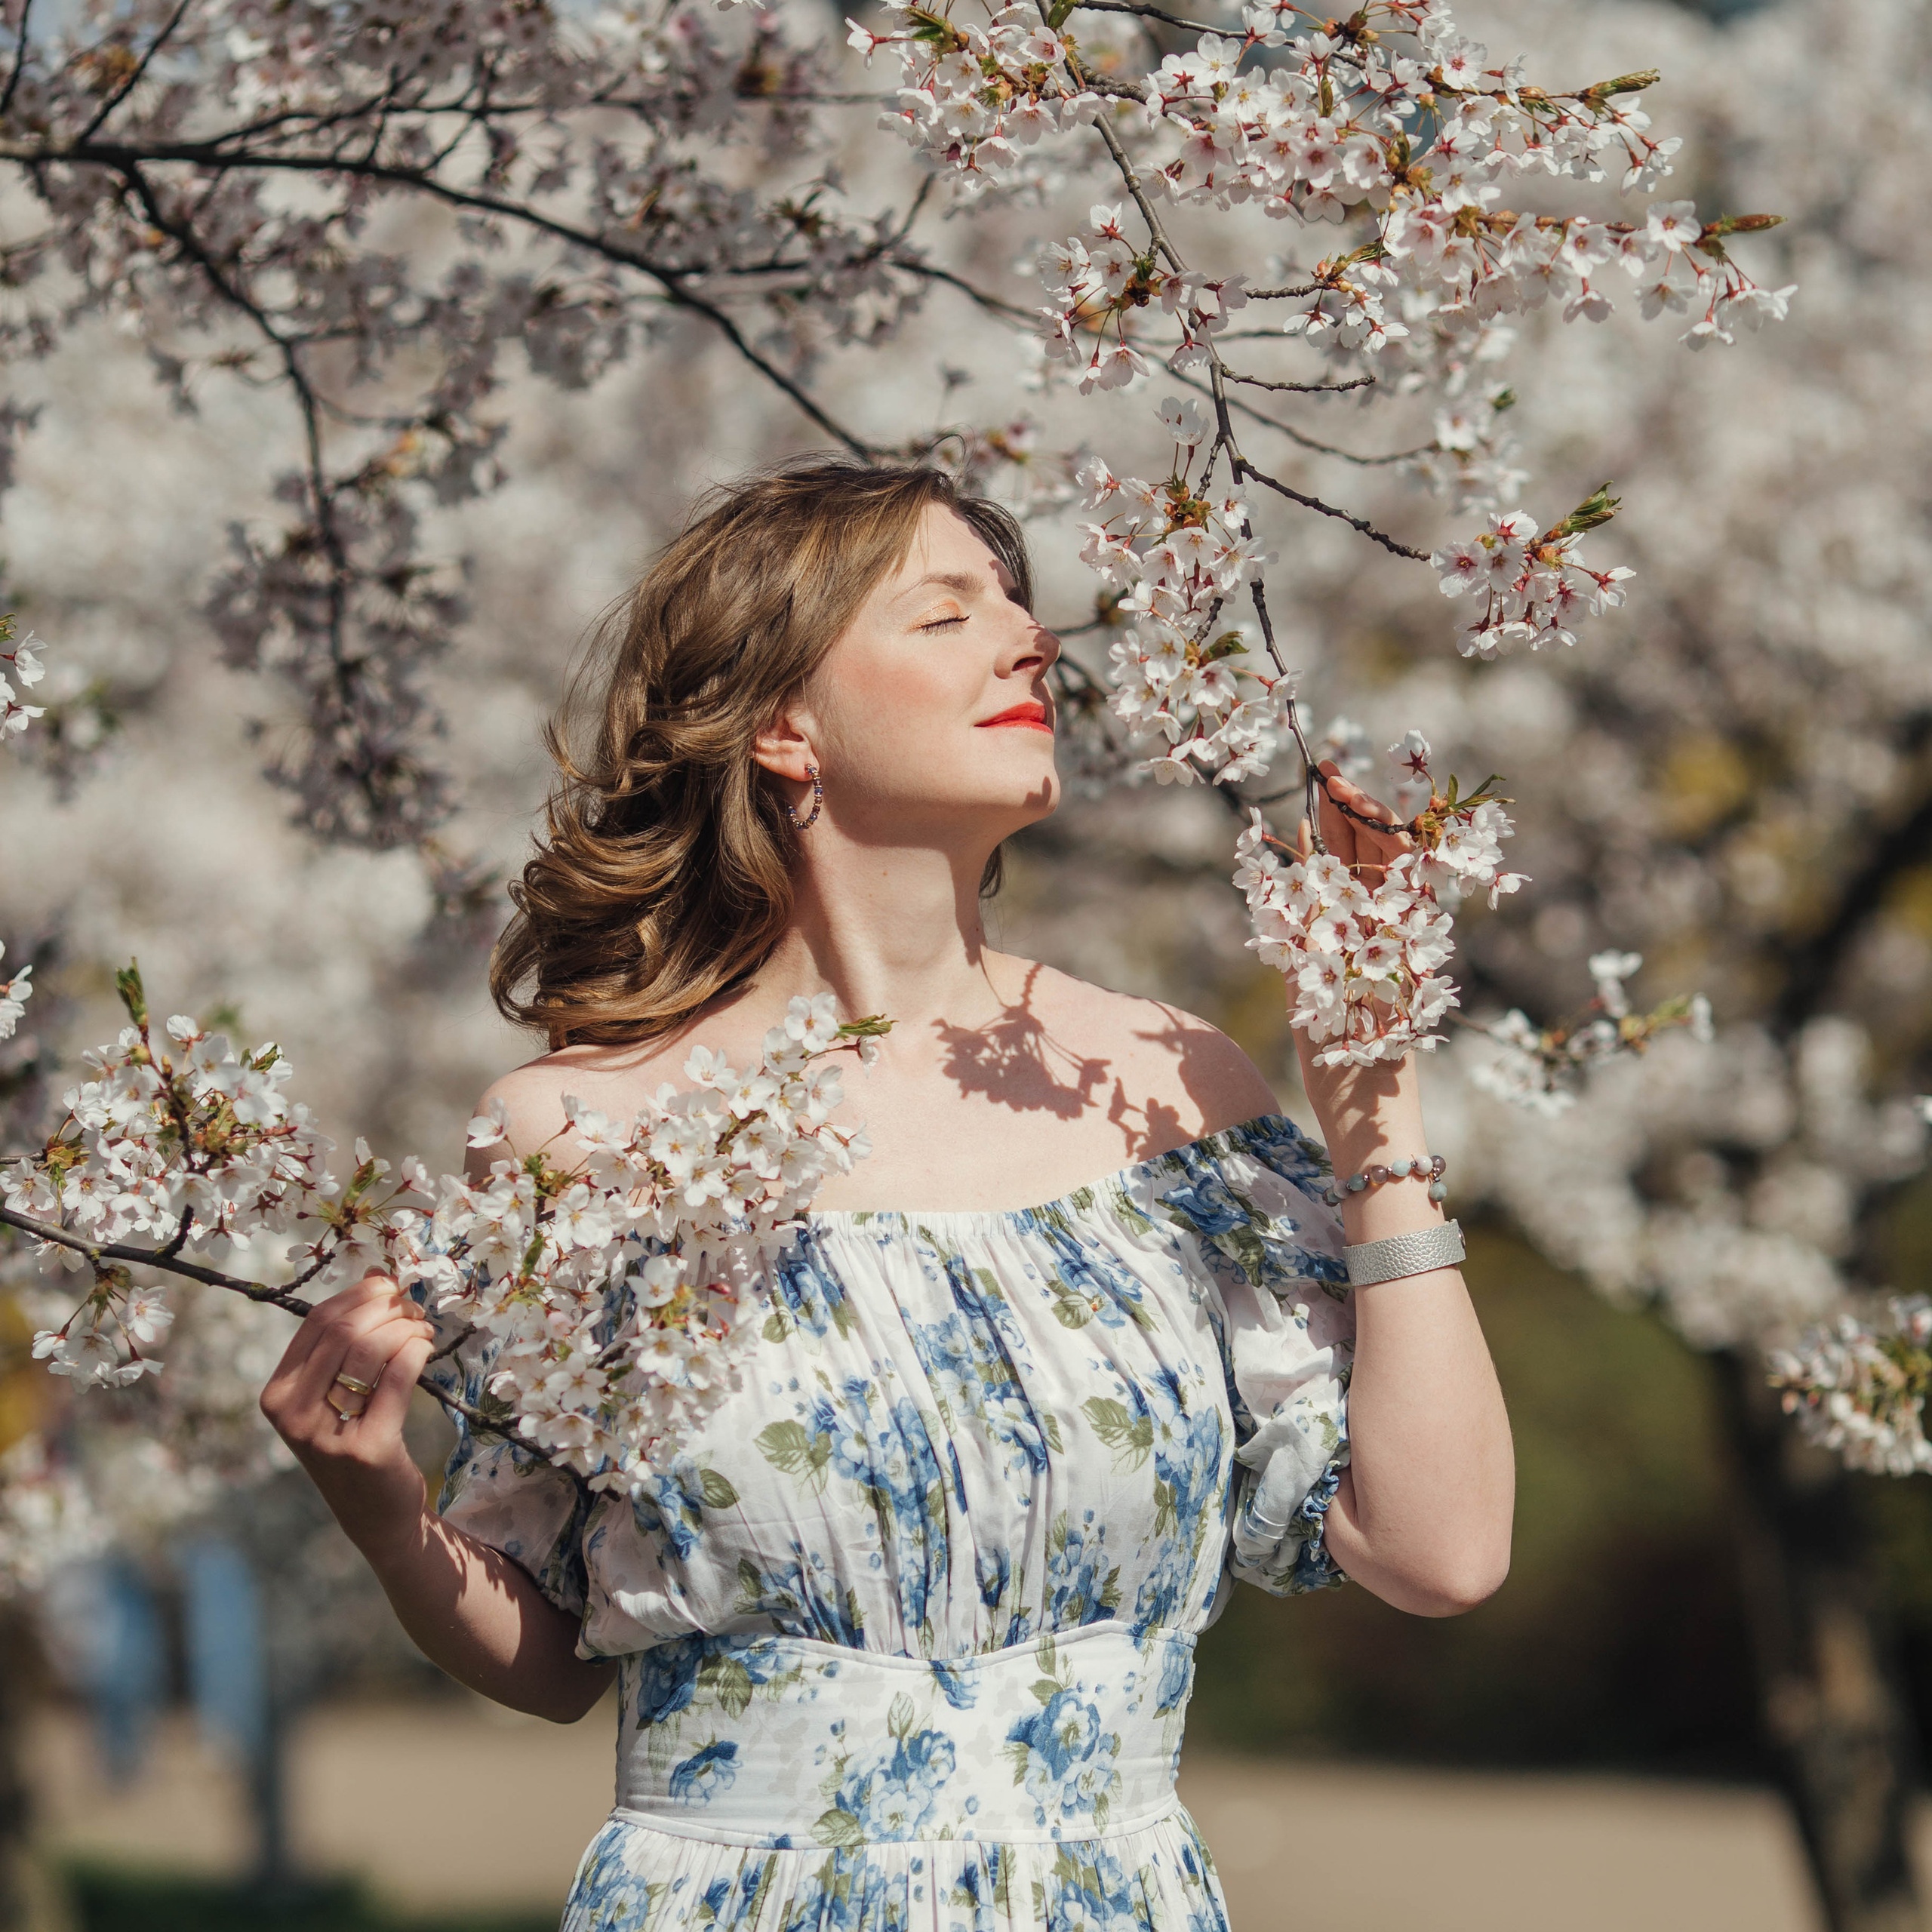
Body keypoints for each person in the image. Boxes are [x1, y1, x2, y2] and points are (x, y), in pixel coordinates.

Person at [260, 457, 1514, 1932]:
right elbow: (551, 1650)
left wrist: (1372, 1104)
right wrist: (382, 1508)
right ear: (783, 724)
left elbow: (1438, 1548)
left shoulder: (1168, 1086)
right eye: (945, 613)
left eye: (1018, 603)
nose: (1027, 638)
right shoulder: (582, 1137)